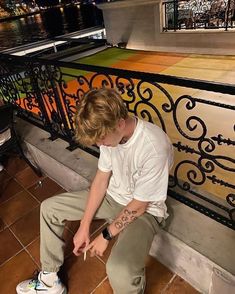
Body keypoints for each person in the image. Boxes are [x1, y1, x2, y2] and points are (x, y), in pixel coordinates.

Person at [16, 88, 174, 294]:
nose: (101, 145)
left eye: (102, 140)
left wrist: (106, 235)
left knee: (119, 270)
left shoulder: (154, 146)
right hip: (113, 197)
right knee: (49, 209)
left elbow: (140, 205)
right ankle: (49, 281)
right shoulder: (109, 133)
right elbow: (101, 180)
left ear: (119, 123)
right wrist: (84, 225)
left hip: (146, 211)